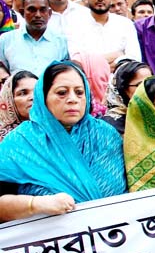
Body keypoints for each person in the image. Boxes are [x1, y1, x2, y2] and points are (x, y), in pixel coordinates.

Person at [0, 61, 127, 202]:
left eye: (79, 92)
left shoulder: (106, 135)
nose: (73, 99)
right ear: (43, 97)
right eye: (62, 93)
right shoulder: (20, 143)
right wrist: (34, 205)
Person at [67, 0, 142, 67]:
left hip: (121, 78)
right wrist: (118, 55)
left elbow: (134, 59)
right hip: (87, 79)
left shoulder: (126, 24)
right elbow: (78, 62)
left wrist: (94, 63)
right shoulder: (75, 25)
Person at [0, 0, 69, 75]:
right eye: (32, 10)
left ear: (49, 13)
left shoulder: (61, 41)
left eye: (43, 10)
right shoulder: (6, 40)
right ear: (22, 13)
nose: (38, 15)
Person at [103, 59, 153, 134]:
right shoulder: (110, 125)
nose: (148, 89)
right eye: (140, 85)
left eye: (151, 83)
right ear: (123, 90)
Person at [0, 70, 38, 141]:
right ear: (9, 100)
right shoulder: (5, 139)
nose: (33, 97)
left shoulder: (56, 128)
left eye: (37, 91)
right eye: (23, 93)